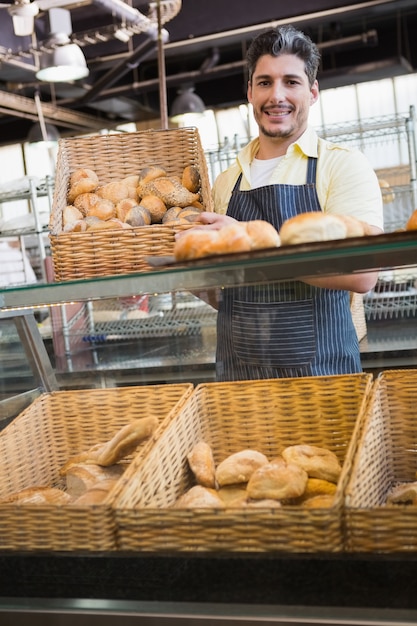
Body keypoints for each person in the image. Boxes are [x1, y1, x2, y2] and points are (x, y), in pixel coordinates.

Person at [189, 25, 384, 381]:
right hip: (240, 382)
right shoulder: (226, 181)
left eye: (291, 82)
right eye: (264, 82)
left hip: (323, 379)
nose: (276, 95)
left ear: (312, 93)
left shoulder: (340, 165)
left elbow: (363, 273)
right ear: (249, 92)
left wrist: (255, 244)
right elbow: (229, 296)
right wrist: (189, 274)